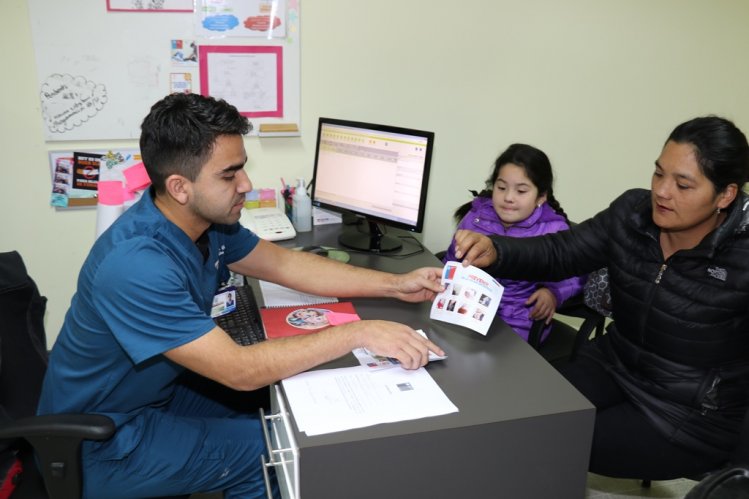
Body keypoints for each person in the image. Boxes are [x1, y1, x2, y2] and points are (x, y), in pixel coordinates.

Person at [37, 93, 445, 499]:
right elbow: (240, 370)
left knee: (275, 411)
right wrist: (359, 333)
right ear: (180, 187)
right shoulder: (135, 264)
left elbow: (284, 265)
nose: (246, 185)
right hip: (101, 442)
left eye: (243, 168)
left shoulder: (205, 222)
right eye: (229, 175)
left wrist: (395, 284)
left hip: (155, 397)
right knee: (274, 452)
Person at [451, 116, 749, 480]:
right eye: (658, 174)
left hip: (684, 412)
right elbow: (562, 252)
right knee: (516, 415)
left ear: (726, 194)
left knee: (550, 442)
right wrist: (497, 249)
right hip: (613, 365)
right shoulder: (632, 214)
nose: (662, 191)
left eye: (683, 184)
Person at [442, 143, 585, 343]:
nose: (508, 198)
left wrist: (553, 293)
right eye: (501, 188)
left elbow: (575, 274)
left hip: (518, 321)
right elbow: (451, 261)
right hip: (465, 309)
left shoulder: (554, 230)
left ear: (541, 196)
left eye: (521, 191)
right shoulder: (476, 216)